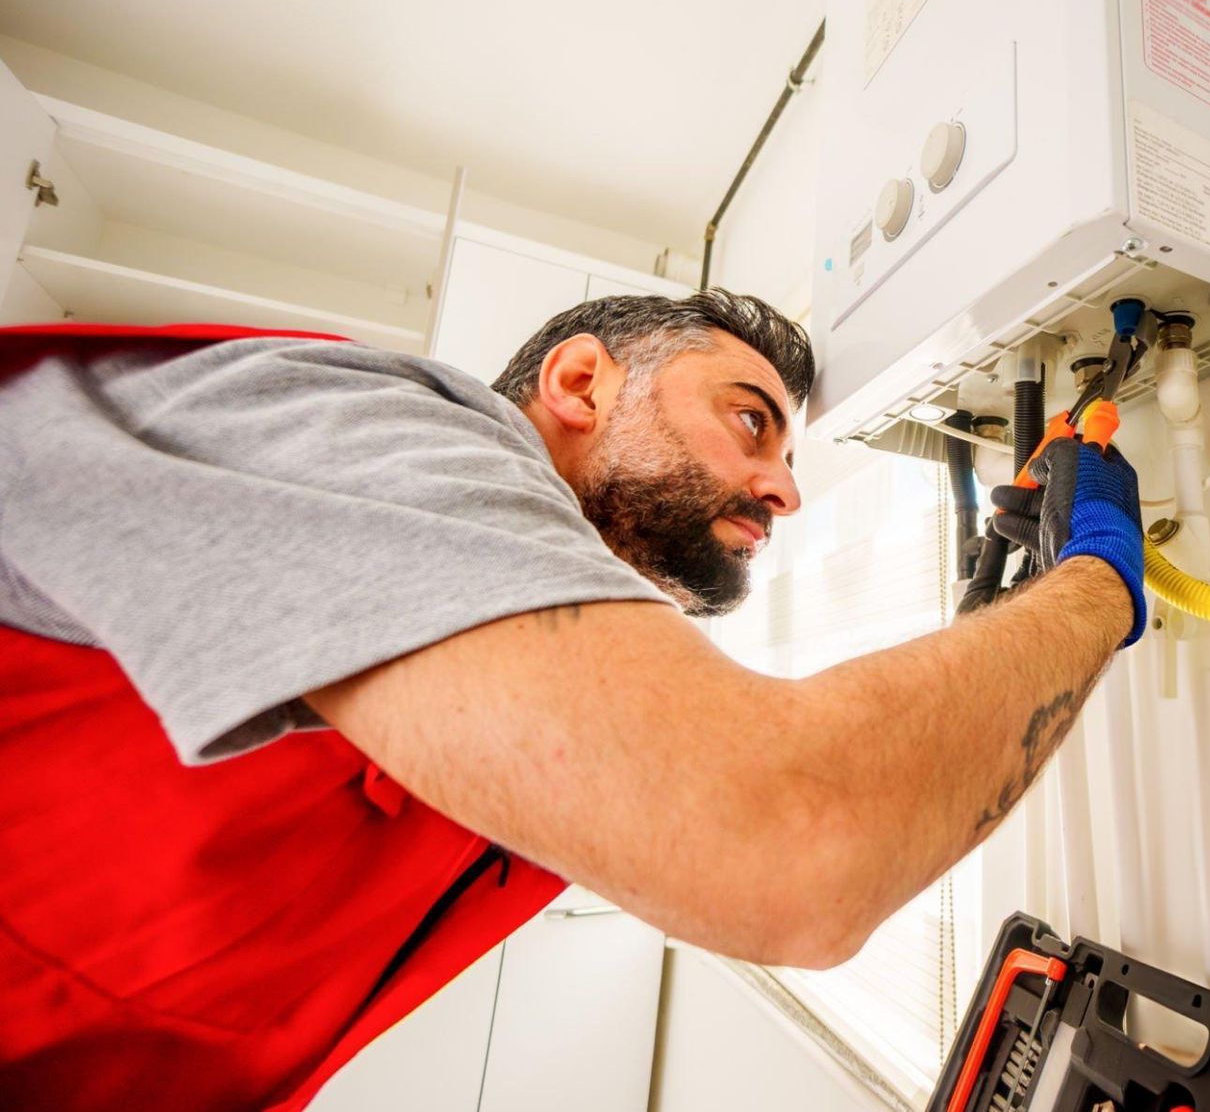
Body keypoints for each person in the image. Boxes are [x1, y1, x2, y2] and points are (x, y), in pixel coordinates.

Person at [0, 289, 1144, 1109]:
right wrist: (1096, 582)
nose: (788, 487)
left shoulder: (542, 673)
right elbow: (798, 838)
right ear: (582, 381)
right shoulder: (377, 432)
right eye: (751, 419)